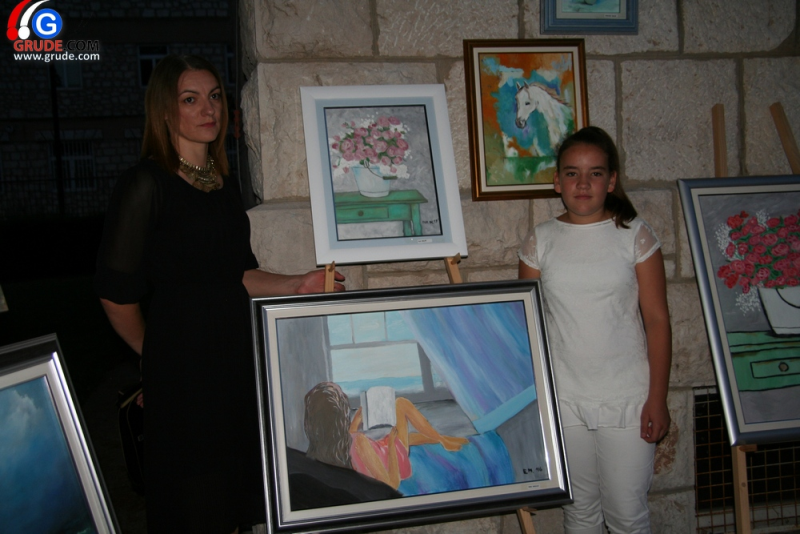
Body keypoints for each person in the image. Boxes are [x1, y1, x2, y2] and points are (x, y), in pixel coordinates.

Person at [94, 54, 344, 534]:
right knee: (196, 503)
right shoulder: (145, 183)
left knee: (235, 501)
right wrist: (154, 355)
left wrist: (298, 283)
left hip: (233, 364)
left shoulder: (222, 186)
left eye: (213, 96)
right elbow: (114, 292)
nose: (208, 109)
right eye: (190, 99)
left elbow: (237, 275)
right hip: (184, 375)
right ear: (165, 111)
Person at [518, 126, 671, 534]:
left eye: (595, 173)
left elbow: (657, 321)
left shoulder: (636, 237)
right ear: (557, 181)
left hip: (628, 400)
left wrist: (657, 398)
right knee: (580, 514)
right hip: (564, 400)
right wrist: (535, 406)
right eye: (572, 173)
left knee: (627, 516)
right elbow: (528, 326)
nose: (583, 184)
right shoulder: (540, 241)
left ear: (611, 180)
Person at [303, 382, 467, 490]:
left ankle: (442, 439)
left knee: (406, 437)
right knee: (401, 404)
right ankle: (443, 440)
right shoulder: (359, 442)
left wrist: (356, 422)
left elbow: (350, 442)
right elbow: (391, 484)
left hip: (379, 450)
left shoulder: (332, 448)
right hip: (392, 459)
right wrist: (392, 448)